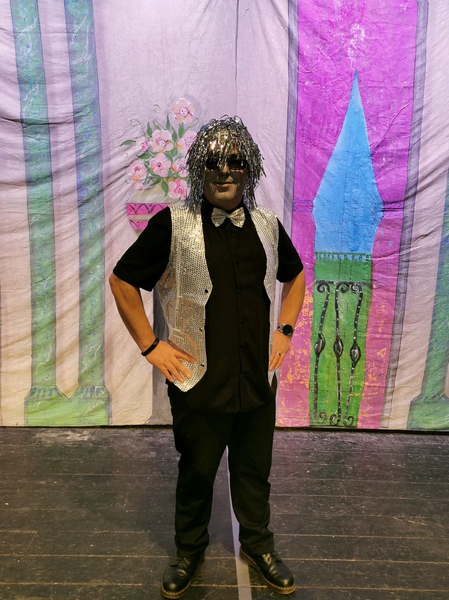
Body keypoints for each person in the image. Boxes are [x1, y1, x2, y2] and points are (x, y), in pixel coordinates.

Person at [110, 115, 305, 598]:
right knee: (196, 474)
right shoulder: (172, 225)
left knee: (254, 473)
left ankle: (258, 546)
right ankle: (189, 552)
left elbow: (296, 275)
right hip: (198, 381)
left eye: (235, 161)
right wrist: (151, 345)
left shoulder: (266, 225)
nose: (224, 171)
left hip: (256, 382)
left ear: (249, 169)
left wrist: (284, 330)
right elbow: (123, 280)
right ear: (200, 169)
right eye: (214, 162)